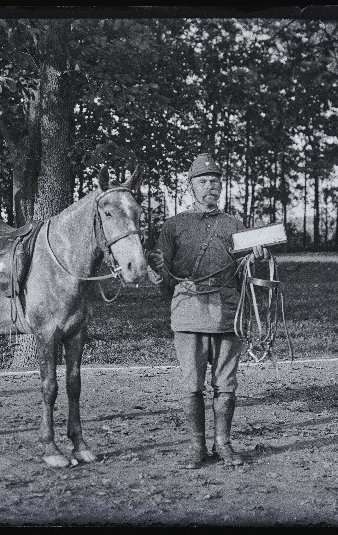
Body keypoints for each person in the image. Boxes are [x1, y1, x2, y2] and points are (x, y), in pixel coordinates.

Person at [146, 153, 269, 469]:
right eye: (203, 181)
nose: (210, 187)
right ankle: (196, 447)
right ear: (191, 187)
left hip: (228, 315)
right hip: (188, 315)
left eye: (215, 181)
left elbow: (248, 278)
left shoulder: (234, 225)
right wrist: (157, 271)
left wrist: (257, 260)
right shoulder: (174, 226)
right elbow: (162, 279)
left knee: (226, 385)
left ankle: (224, 444)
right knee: (193, 386)